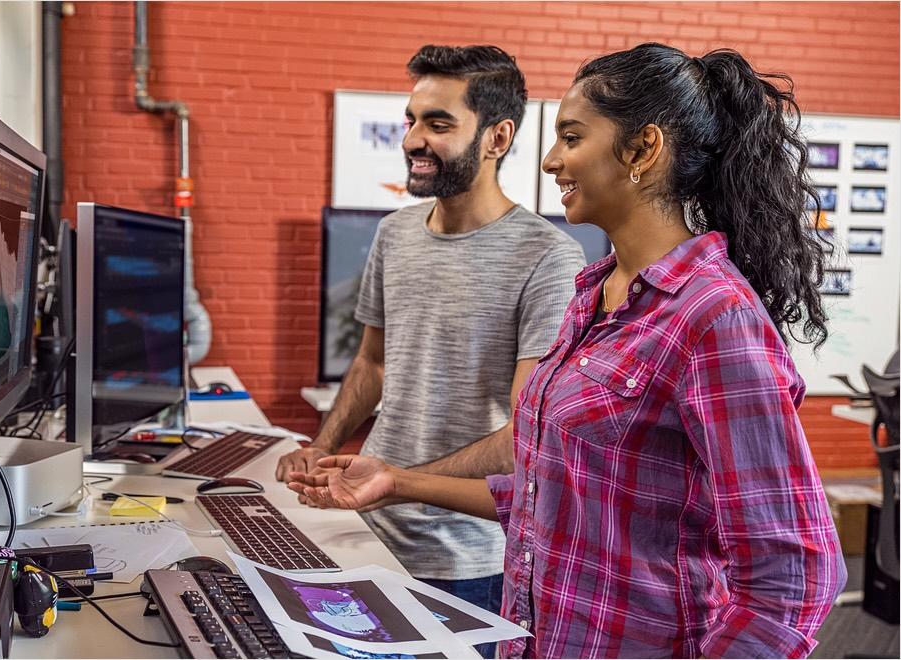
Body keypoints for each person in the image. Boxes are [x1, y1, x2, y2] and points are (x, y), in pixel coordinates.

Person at [288, 43, 847, 659]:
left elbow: (792, 579)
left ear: (642, 150)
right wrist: (395, 481)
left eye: (572, 137)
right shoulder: (594, 295)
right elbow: (550, 493)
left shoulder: (712, 315)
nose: (551, 160)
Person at [275, 44, 585, 656]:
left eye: (438, 124)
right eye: (412, 120)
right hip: (363, 525)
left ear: (497, 138)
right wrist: (324, 445)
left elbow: (527, 431)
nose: (414, 140)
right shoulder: (394, 235)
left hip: (464, 558)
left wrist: (397, 480)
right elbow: (373, 362)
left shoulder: (549, 258)